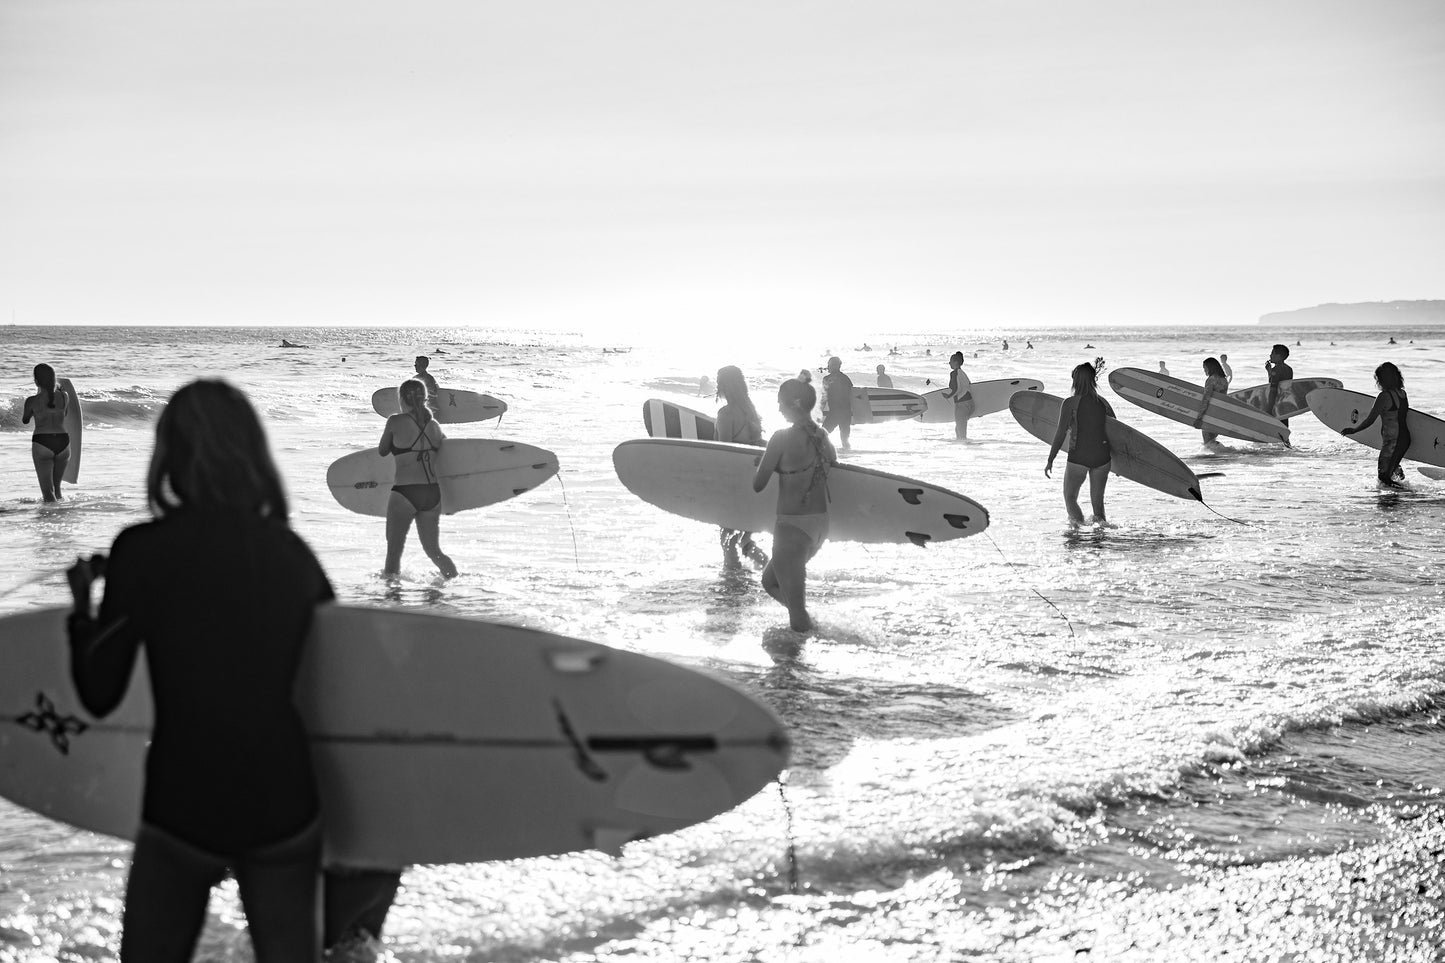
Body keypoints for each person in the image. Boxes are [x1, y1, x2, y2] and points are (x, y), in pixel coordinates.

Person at [63, 379, 334, 960]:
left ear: (169, 455)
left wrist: (84, 611)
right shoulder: (291, 555)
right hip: (282, 799)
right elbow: (337, 679)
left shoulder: (141, 552)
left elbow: (98, 694)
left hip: (184, 797)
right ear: (254, 457)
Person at [752, 379, 836, 632]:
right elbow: (835, 467)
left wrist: (764, 461)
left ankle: (796, 662)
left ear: (794, 404)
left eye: (780, 403)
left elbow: (758, 484)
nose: (778, 408)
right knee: (770, 582)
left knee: (795, 609)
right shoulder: (823, 437)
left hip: (792, 528)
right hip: (819, 525)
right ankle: (810, 627)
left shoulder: (781, 439)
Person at [379, 379, 458, 578]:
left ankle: (391, 600)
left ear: (402, 398)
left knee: (393, 555)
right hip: (432, 494)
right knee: (434, 552)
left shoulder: (395, 421)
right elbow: (446, 450)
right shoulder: (434, 426)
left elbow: (382, 451)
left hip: (405, 493)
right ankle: (455, 585)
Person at [1045, 362, 1115, 528]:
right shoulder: (1103, 403)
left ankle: (1078, 531)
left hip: (1079, 455)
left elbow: (1060, 433)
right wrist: (1121, 464)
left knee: (1070, 497)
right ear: (1093, 380)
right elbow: (1116, 432)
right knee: (1098, 504)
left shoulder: (1070, 403)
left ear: (1075, 381)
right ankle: (1099, 539)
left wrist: (1050, 459)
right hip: (1102, 457)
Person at [715, 366, 768, 567]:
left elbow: (725, 452)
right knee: (744, 537)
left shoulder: (726, 414)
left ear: (723, 386)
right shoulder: (750, 411)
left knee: (726, 538)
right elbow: (757, 443)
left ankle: (732, 578)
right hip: (753, 481)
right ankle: (766, 565)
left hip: (734, 481)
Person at [1343, 362, 1411, 487]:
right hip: (1405, 439)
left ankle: (1410, 495)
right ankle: (1401, 492)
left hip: (1392, 441)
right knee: (1390, 472)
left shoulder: (1384, 396)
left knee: (1383, 478)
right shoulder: (1402, 394)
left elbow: (1370, 420)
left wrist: (1354, 430)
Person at [22, 363, 71, 503]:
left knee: (48, 492)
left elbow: (25, 420)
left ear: (36, 381)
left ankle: (50, 522)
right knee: (57, 489)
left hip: (42, 443)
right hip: (63, 443)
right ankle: (62, 516)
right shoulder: (64, 396)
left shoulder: (31, 401)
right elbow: (65, 413)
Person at [1191, 357, 1231, 444]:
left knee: (1208, 442)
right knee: (1211, 441)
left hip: (1210, 414)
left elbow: (1206, 399)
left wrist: (1199, 418)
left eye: (1204, 367)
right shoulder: (1224, 380)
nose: (1204, 370)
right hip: (1220, 414)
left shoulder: (1211, 380)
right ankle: (1223, 456)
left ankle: (1227, 452)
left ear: (1210, 367)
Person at [820, 356, 854, 451]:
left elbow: (824, 397)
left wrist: (819, 411)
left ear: (834, 365)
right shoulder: (845, 378)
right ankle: (848, 457)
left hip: (835, 412)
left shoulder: (827, 379)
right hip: (846, 412)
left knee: (822, 435)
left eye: (829, 364)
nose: (827, 366)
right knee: (845, 440)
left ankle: (824, 454)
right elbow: (852, 394)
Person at [943, 351, 975, 441]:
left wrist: (948, 396)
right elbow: (970, 386)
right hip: (970, 404)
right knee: (958, 429)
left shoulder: (955, 373)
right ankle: (964, 447)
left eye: (951, 361)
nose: (949, 363)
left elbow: (958, 389)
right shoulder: (963, 373)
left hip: (962, 405)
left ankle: (966, 449)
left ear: (956, 362)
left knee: (961, 432)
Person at [1264, 344, 1294, 423]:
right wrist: (1270, 371)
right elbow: (1283, 386)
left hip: (1276, 405)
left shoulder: (1276, 370)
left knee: (1274, 429)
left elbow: (1273, 388)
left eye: (1273, 353)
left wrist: (1269, 408)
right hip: (1284, 403)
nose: (1270, 355)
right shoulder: (1289, 369)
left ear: (1279, 356)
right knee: (1283, 428)